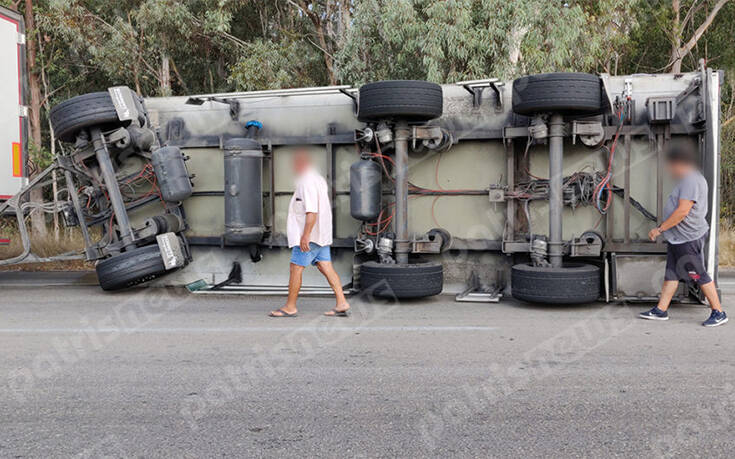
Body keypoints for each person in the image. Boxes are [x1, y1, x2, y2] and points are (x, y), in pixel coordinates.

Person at [639, 146, 726, 327]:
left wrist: (660, 229)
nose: (670, 169)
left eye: (672, 165)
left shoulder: (691, 180)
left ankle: (718, 312)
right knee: (671, 274)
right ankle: (661, 310)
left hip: (688, 238)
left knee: (698, 275)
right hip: (678, 238)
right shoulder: (687, 179)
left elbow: (682, 211)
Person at [269, 149, 350, 318]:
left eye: (295, 163)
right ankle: (342, 302)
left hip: (310, 236)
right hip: (320, 235)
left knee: (295, 268)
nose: (293, 167)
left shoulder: (307, 181)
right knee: (325, 266)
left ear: (301, 163)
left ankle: (290, 307)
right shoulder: (317, 179)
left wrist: (305, 236)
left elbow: (311, 211)